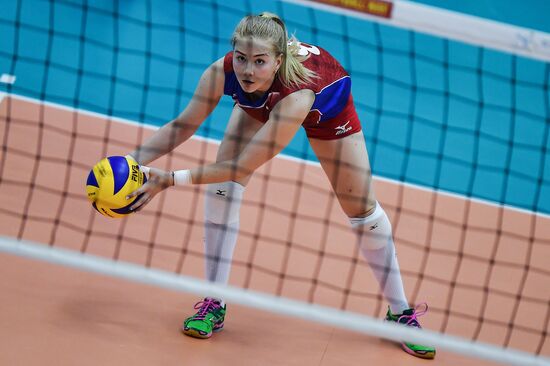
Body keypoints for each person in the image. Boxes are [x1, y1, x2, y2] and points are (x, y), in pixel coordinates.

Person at [126, 12, 435, 359]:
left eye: (259, 62)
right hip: (261, 100)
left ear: (278, 60)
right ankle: (213, 303)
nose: (247, 70)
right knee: (221, 190)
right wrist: (129, 162)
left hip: (326, 110)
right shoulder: (226, 72)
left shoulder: (297, 96)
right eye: (242, 58)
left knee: (364, 213)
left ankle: (400, 312)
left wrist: (169, 180)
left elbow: (241, 165)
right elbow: (183, 124)